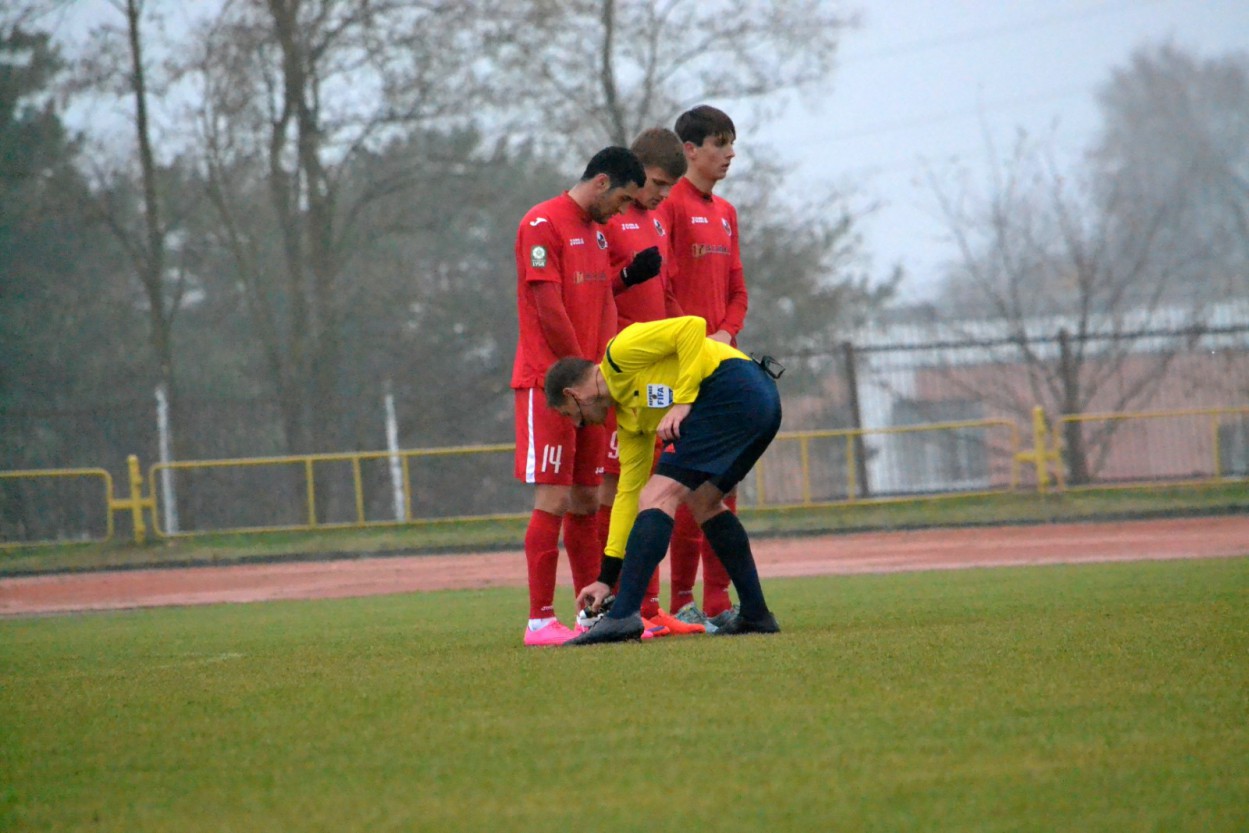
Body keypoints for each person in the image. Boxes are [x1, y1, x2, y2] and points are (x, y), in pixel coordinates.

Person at [543, 315, 783, 645]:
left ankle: (623, 616)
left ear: (573, 395)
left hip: (735, 386)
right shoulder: (629, 419)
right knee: (703, 500)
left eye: (569, 415)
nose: (576, 425)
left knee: (658, 495)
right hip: (759, 403)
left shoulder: (620, 352)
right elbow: (628, 495)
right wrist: (605, 578)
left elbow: (692, 326)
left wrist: (683, 400)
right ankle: (757, 614)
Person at [511, 146, 647, 647]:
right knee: (554, 496)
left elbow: (606, 300)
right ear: (602, 182)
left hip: (592, 388)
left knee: (588, 500)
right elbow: (547, 305)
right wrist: (581, 372)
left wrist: (606, 369)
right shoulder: (541, 223)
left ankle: (592, 615)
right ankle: (540, 621)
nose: (623, 211)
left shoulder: (598, 232)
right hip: (552, 386)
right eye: (623, 199)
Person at [597, 127, 706, 638]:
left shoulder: (658, 220)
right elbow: (592, 294)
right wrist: (625, 279)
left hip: (657, 378)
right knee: (613, 488)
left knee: (655, 488)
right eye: (658, 183)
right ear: (635, 172)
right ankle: (606, 601)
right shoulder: (609, 218)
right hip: (618, 376)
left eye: (668, 186)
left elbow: (664, 299)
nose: (663, 194)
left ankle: (649, 606)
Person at [656, 105, 748, 625]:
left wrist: (725, 335)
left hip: (723, 363)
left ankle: (718, 602)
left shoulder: (727, 212)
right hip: (682, 367)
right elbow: (663, 288)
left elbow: (738, 289)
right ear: (689, 150)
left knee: (725, 486)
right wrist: (693, 343)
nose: (730, 153)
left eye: (731, 142)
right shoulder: (670, 205)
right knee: (685, 482)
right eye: (719, 143)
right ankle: (680, 602)